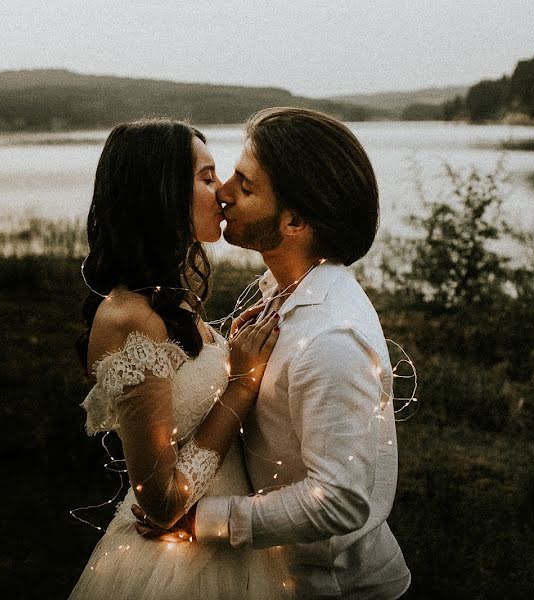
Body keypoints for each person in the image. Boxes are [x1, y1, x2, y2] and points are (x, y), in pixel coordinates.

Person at [133, 108, 411, 599]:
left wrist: (205, 521)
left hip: (331, 586)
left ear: (295, 220)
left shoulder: (330, 341)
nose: (223, 193)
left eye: (245, 185)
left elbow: (341, 502)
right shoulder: (278, 291)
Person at [68, 118, 292, 600]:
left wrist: (224, 348)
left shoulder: (169, 299)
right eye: (207, 178)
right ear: (161, 192)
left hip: (229, 544)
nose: (224, 192)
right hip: (180, 570)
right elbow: (161, 503)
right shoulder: (130, 316)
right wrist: (241, 385)